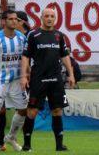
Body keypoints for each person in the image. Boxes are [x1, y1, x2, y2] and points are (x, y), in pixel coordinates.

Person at [20, 8, 75, 152]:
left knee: (57, 110)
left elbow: (64, 55)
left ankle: (59, 145)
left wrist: (71, 74)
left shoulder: (59, 35)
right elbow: (26, 55)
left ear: (55, 18)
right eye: (47, 16)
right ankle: (26, 144)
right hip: (38, 78)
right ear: (41, 18)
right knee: (32, 111)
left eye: (52, 16)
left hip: (56, 79)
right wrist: (24, 76)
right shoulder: (33, 35)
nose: (49, 18)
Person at [0, 10, 28, 153]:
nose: (14, 21)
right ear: (3, 21)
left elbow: (25, 58)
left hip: (16, 80)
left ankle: (11, 137)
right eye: (11, 19)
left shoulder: (21, 38)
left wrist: (26, 74)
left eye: (16, 19)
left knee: (23, 109)